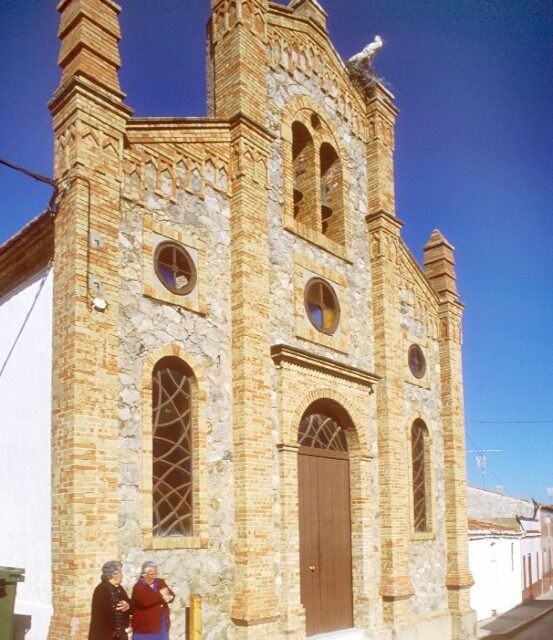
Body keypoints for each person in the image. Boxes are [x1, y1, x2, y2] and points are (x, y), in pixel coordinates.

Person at [88, 561, 132, 640]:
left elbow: (131, 606)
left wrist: (128, 606)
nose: (122, 575)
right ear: (114, 575)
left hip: (119, 635)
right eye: (120, 573)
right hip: (105, 636)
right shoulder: (102, 590)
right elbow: (107, 616)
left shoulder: (119, 588)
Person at [131, 561, 175, 640]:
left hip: (161, 625)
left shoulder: (160, 582)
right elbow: (145, 602)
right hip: (145, 628)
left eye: (155, 574)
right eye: (151, 574)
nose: (154, 577)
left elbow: (169, 592)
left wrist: (170, 597)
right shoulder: (138, 587)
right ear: (143, 574)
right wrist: (160, 594)